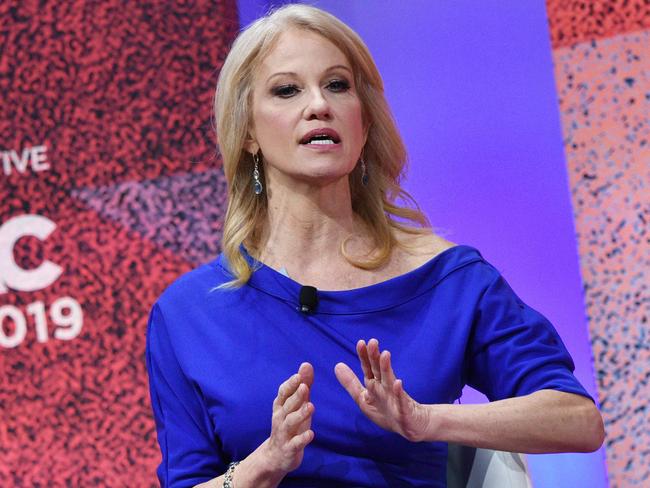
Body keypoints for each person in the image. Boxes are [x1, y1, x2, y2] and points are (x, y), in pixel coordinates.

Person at [145, 4, 604, 487]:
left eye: (338, 85)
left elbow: (576, 419)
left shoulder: (449, 282)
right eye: (287, 90)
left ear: (363, 124)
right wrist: (267, 461)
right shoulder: (189, 314)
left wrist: (428, 422)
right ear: (249, 134)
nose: (319, 104)